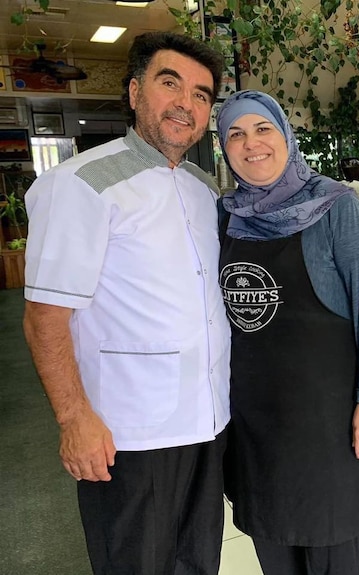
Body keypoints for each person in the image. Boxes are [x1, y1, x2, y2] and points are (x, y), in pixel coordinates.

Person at [22, 32, 231, 575]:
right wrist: (74, 419)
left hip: (206, 423)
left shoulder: (204, 188)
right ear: (135, 92)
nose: (186, 103)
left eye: (202, 94)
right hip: (130, 434)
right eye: (170, 83)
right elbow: (46, 315)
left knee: (199, 561)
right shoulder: (80, 185)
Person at [216, 90, 359, 575]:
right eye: (235, 133)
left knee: (334, 560)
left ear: (286, 136)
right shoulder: (226, 215)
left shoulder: (335, 207)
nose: (250, 143)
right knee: (274, 557)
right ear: (224, 148)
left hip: (329, 431)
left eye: (262, 129)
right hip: (255, 429)